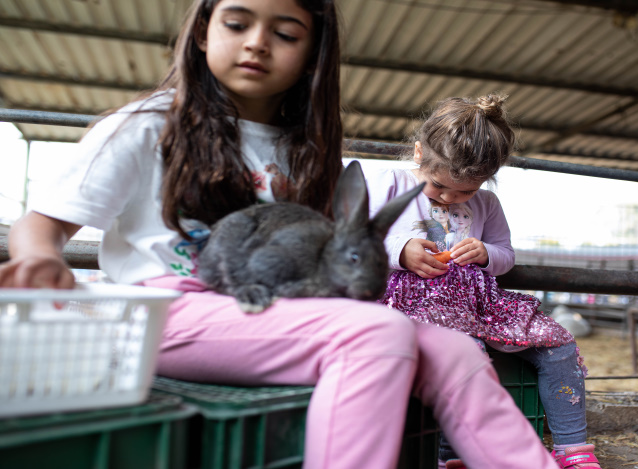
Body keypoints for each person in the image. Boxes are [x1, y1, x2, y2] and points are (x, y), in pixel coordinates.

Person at [0, 1, 562, 468]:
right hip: (169, 311)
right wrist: (38, 259)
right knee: (375, 333)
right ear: (202, 32)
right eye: (237, 23)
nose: (257, 44)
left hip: (275, 310)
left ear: (313, 52)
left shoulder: (306, 147)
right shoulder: (151, 124)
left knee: (454, 349)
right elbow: (42, 223)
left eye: (286, 33)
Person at [365, 94, 601, 469]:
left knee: (559, 345)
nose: (451, 198)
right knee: (464, 352)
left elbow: (506, 255)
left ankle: (573, 448)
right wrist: (401, 249)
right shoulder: (389, 182)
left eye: (465, 192)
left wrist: (486, 254)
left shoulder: (487, 203)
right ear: (418, 154)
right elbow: (359, 237)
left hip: (477, 303)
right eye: (439, 187)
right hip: (411, 303)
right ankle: (450, 455)